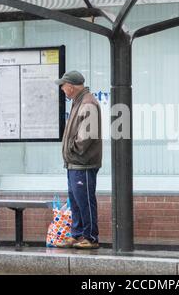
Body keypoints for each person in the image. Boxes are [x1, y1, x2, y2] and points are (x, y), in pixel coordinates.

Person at [55, 70, 102, 249]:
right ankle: (78, 234)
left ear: (71, 86)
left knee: (85, 201)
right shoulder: (78, 101)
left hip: (83, 162)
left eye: (63, 85)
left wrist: (72, 151)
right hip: (75, 163)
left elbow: (86, 137)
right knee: (75, 200)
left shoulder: (88, 103)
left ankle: (90, 237)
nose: (62, 89)